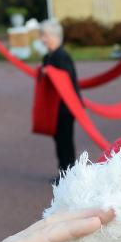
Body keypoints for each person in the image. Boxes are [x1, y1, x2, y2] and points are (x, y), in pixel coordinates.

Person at [40, 19, 81, 177]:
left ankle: (69, 174)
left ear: (55, 36)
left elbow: (66, 78)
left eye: (45, 35)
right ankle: (63, 172)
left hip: (66, 107)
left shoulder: (62, 56)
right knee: (58, 140)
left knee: (66, 141)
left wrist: (49, 72)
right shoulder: (48, 57)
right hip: (55, 106)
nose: (43, 39)